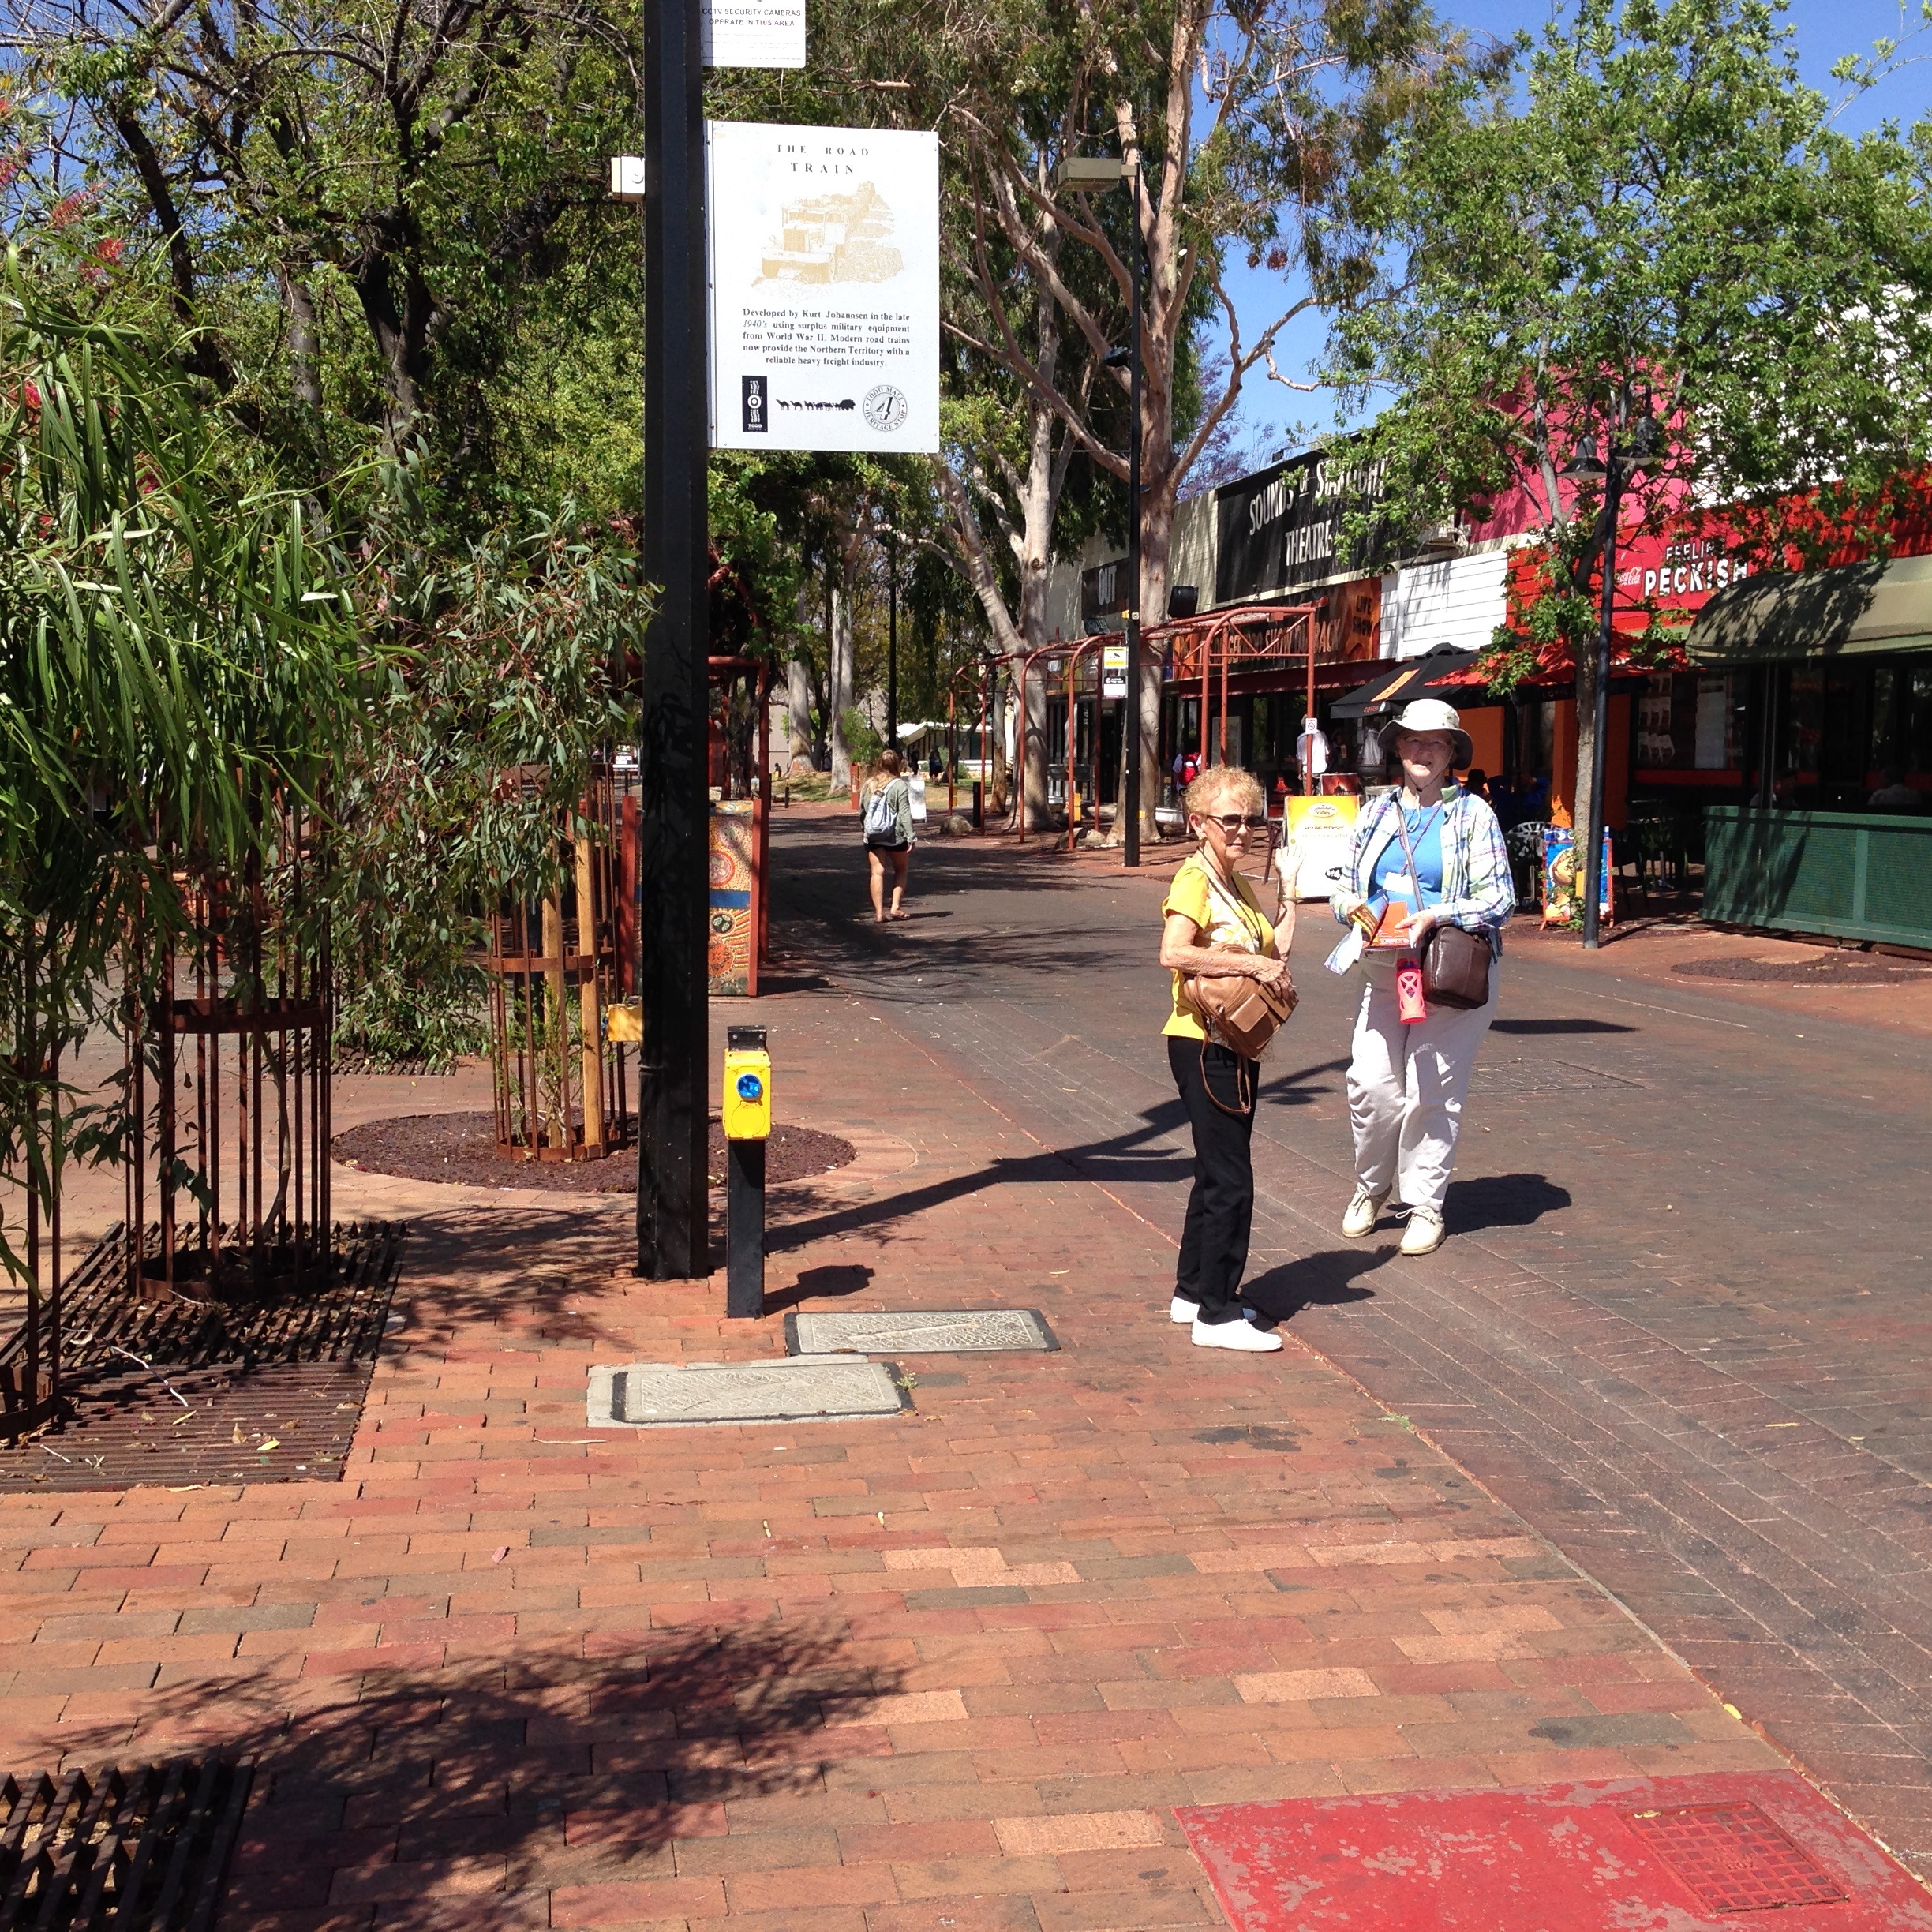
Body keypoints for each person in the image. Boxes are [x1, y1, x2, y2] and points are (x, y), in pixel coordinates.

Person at [1329, 700, 1514, 1257]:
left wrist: (1440, 913)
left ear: (1453, 752)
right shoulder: (1375, 812)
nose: (1423, 751)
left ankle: (1425, 1204)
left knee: (1431, 1092)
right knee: (1372, 1086)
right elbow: (1341, 880)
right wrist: (1349, 906)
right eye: (1413, 740)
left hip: (1448, 970)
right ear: (1398, 747)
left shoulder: (1473, 815)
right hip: (1388, 967)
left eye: (1436, 742)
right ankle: (1371, 1187)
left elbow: (1500, 898)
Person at [1158, 765, 1296, 1351]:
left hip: (1233, 1041)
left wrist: (1289, 892)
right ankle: (1218, 1313)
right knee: (1232, 1180)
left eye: (1251, 819)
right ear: (1198, 823)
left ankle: (1192, 1291)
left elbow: (1274, 949)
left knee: (1215, 1172)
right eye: (1229, 820)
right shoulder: (1195, 878)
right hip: (1203, 1039)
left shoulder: (1235, 882)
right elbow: (1174, 953)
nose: (1242, 831)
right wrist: (1252, 965)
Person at [860, 748, 915, 923]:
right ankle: (895, 907)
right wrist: (911, 836)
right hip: (895, 836)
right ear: (896, 765)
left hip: (874, 835)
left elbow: (863, 810)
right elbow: (904, 813)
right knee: (901, 869)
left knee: (877, 872)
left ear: (879, 764)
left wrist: (865, 829)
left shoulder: (869, 784)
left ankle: (878, 913)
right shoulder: (899, 785)